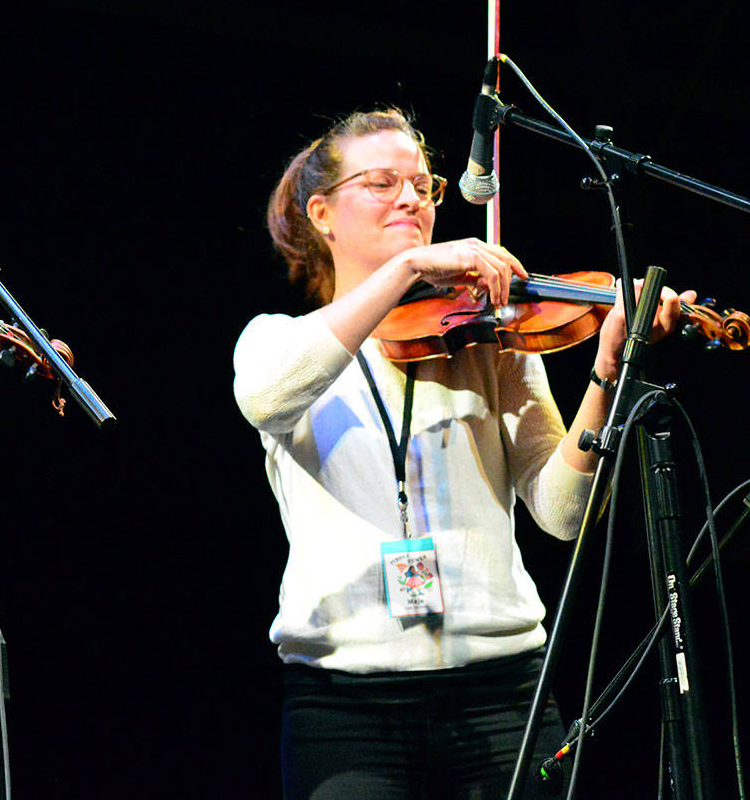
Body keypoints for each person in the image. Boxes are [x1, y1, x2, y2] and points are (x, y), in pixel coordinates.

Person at [232, 109, 690, 799]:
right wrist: (410, 264)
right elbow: (267, 398)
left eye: (422, 185)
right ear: (321, 213)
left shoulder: (485, 338)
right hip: (347, 710)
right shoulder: (277, 340)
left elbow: (561, 513)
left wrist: (606, 374)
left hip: (503, 694)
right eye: (383, 183)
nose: (411, 199)